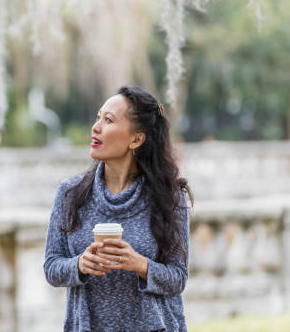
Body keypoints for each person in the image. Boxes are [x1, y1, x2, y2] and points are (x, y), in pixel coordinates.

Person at [44, 86, 192, 331]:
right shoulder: (70, 193)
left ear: (136, 139)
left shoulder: (168, 197)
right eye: (98, 117)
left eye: (109, 120)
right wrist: (80, 264)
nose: (96, 127)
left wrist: (140, 265)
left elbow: (178, 278)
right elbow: (52, 268)